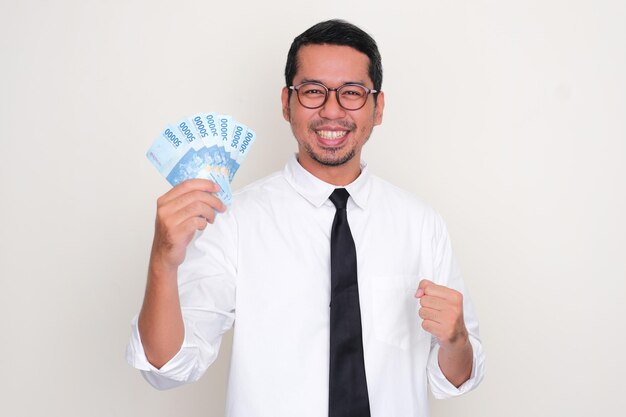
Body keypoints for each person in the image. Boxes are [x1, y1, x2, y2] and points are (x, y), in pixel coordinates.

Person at [127, 19, 485, 417]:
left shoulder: (421, 224)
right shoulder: (233, 221)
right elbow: (167, 369)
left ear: (378, 107)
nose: (332, 110)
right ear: (287, 103)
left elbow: (455, 380)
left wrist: (455, 341)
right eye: (313, 91)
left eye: (352, 93)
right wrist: (162, 260)